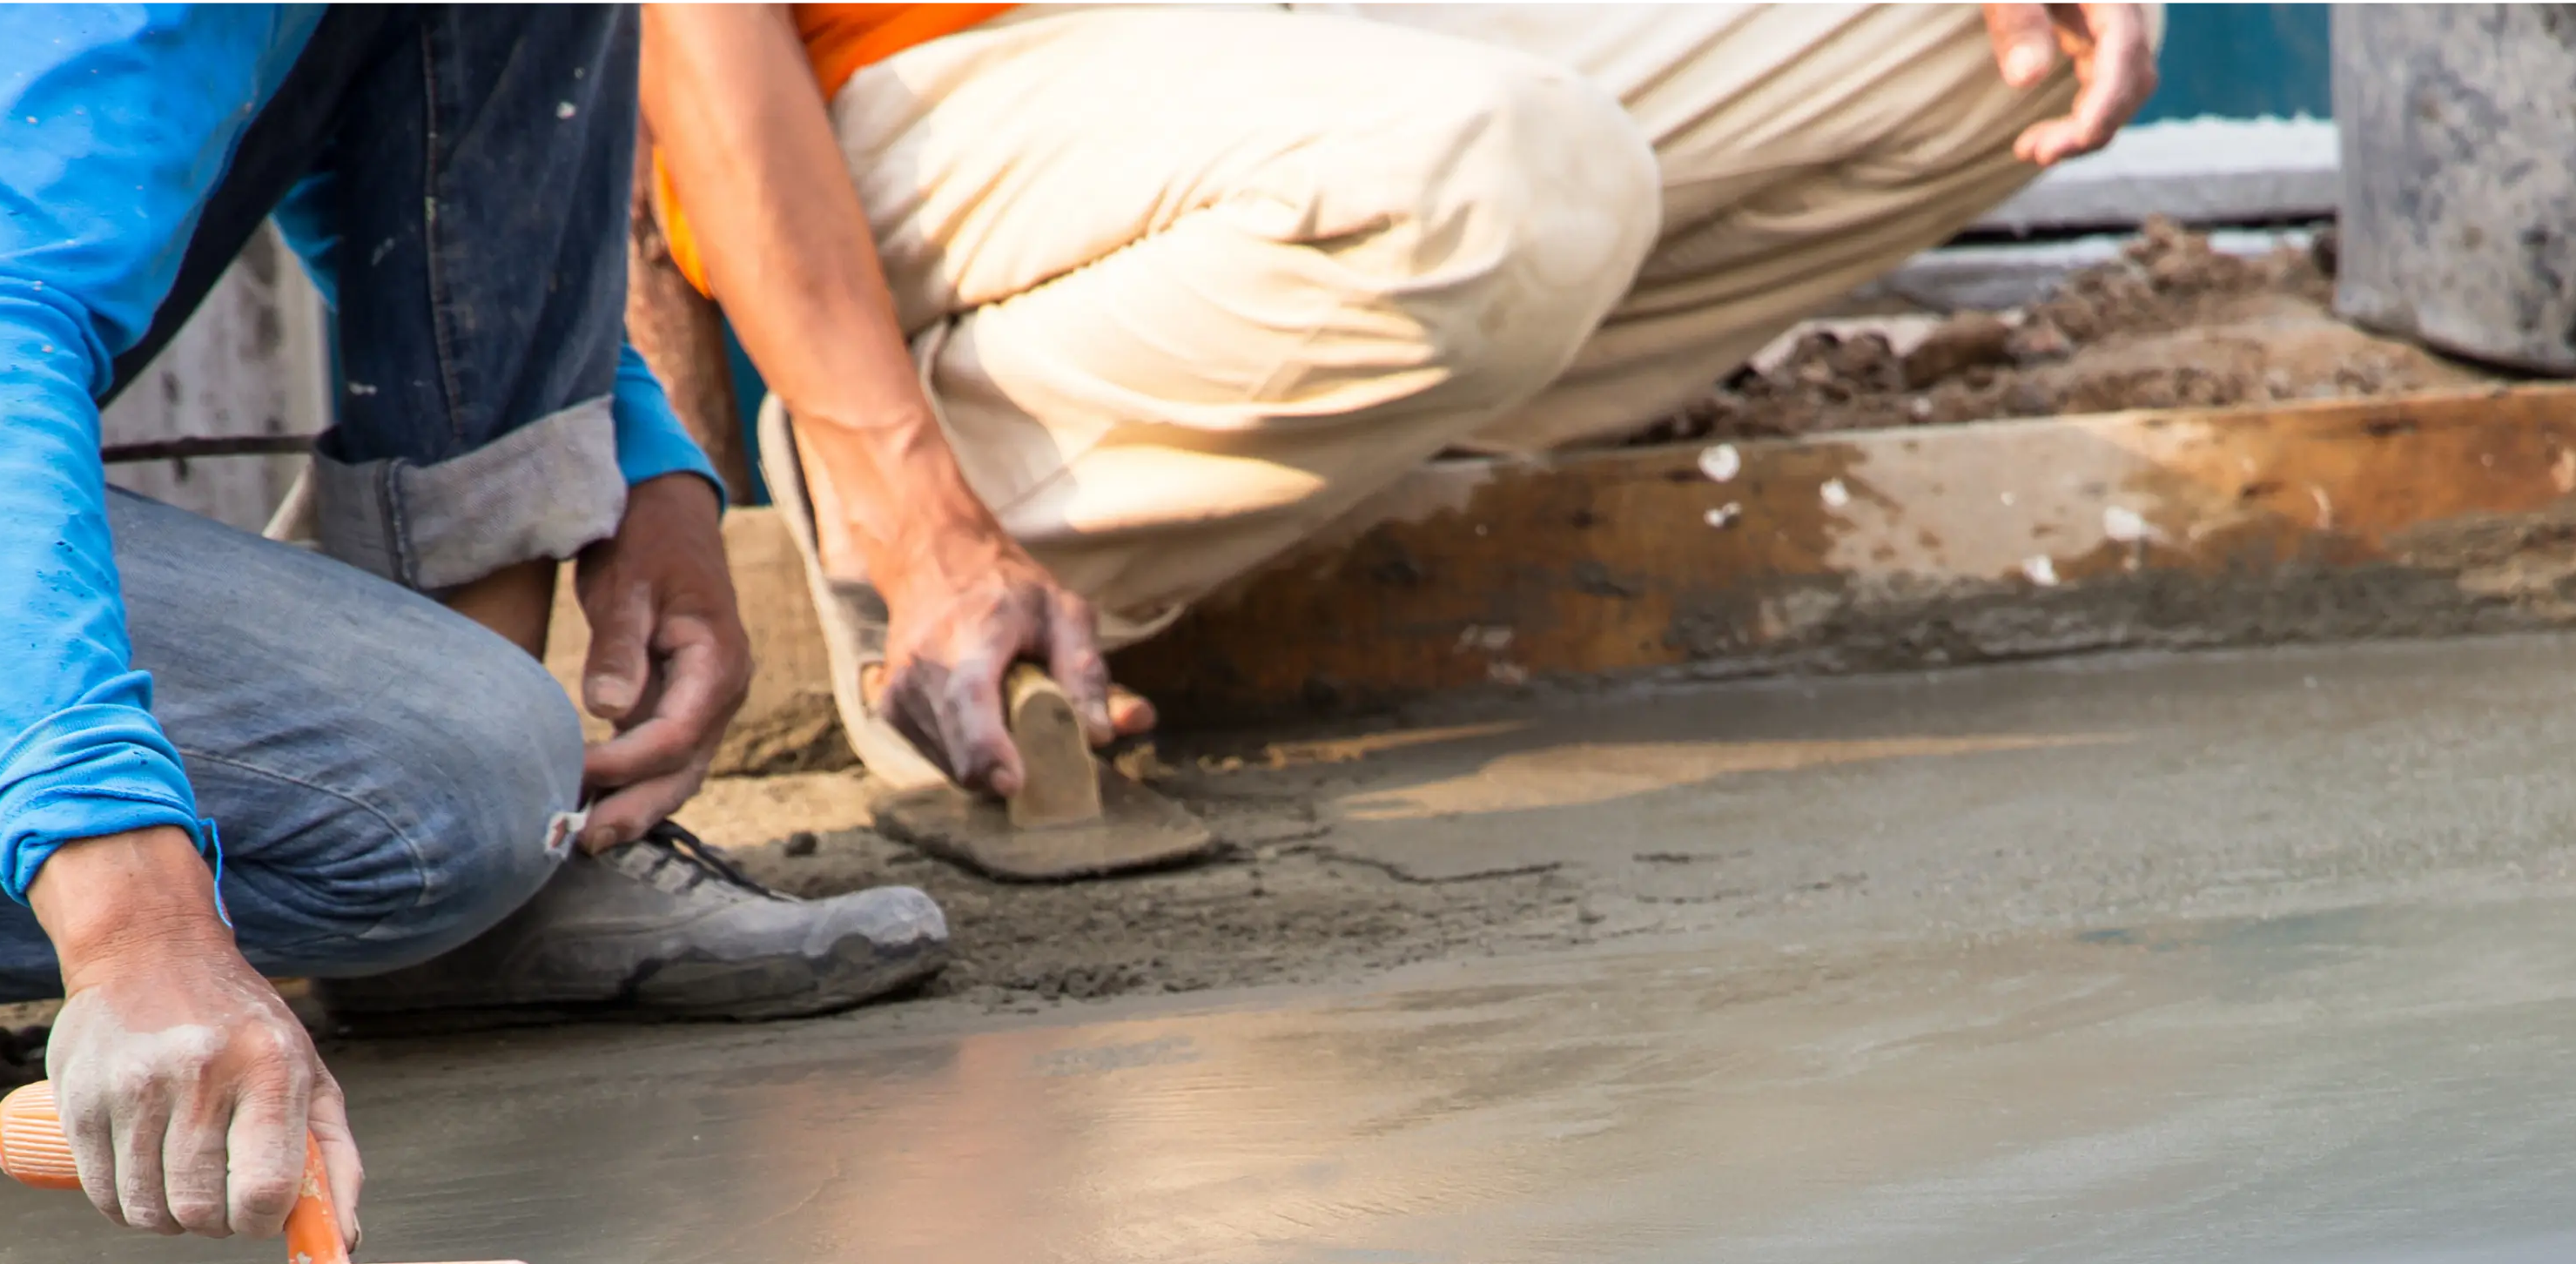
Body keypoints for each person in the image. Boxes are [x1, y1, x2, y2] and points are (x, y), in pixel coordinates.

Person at [0, 0, 952, 1237]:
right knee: (448, 783)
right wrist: (132, 917)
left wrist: (635, 457)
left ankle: (485, 916)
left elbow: (407, 122)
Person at [636, 0, 2156, 798]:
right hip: (928, 72)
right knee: (1504, 178)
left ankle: (1334, 410)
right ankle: (932, 512)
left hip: (1303, 32)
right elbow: (684, 37)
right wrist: (905, 493)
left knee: (1992, 44)